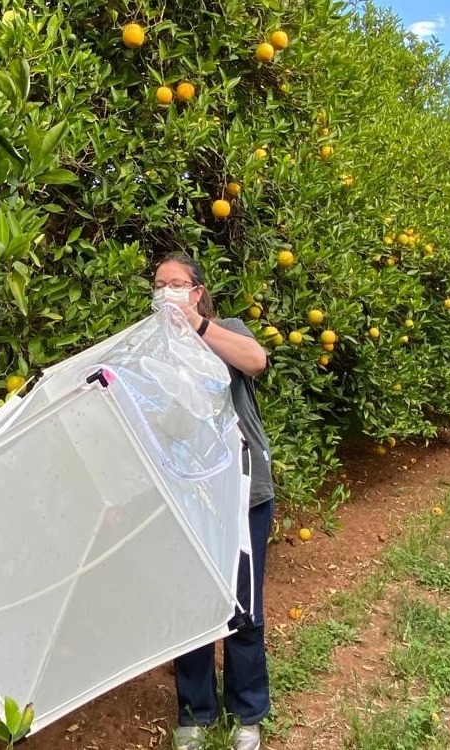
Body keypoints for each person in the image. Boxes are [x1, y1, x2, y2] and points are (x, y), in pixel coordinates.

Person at [152, 253, 275, 750]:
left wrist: (197, 326)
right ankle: (196, 713)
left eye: (176, 284)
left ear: (197, 291)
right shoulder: (152, 350)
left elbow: (256, 361)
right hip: (189, 491)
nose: (166, 292)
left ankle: (247, 714)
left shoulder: (226, 328)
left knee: (244, 603)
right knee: (193, 604)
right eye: (159, 285)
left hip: (245, 490)